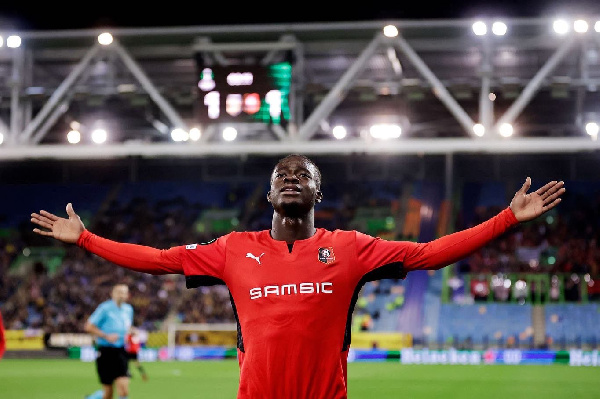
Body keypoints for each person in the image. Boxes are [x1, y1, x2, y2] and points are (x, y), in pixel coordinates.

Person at [31, 154, 565, 399]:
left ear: (317, 194)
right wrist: (84, 238)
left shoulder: (352, 248)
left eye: (302, 174)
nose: (290, 179)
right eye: (281, 175)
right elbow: (158, 258)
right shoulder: (233, 250)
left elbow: (429, 252)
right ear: (268, 196)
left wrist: (505, 219)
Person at [83, 284, 134, 399]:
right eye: (119, 292)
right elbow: (88, 326)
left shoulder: (128, 309)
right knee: (108, 392)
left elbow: (127, 327)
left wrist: (132, 331)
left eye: (124, 292)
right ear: (112, 294)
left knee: (124, 389)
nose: (122, 295)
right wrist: (106, 336)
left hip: (121, 351)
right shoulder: (104, 308)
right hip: (106, 351)